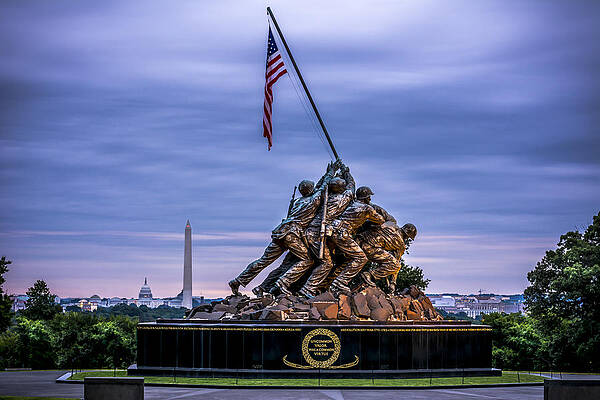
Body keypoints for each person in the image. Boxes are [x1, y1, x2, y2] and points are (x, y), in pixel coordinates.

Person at [228, 162, 339, 295]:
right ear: (311, 190)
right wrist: (331, 172)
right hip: (291, 234)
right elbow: (323, 188)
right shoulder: (312, 201)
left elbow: (318, 188)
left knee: (264, 261)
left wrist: (326, 174)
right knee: (307, 260)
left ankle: (238, 281)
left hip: (280, 231)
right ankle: (282, 283)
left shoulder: (298, 201)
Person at [317, 186, 386, 295]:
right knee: (361, 258)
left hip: (332, 229)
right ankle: (339, 282)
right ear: (365, 198)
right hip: (342, 233)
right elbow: (380, 220)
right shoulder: (367, 208)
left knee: (346, 258)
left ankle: (325, 284)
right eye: (369, 197)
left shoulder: (351, 203)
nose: (370, 200)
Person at [359, 223, 418, 292]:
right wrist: (393, 283)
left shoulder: (392, 225)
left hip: (360, 240)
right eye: (408, 237)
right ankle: (369, 275)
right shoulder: (401, 245)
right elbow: (396, 262)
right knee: (396, 265)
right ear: (407, 235)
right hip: (370, 248)